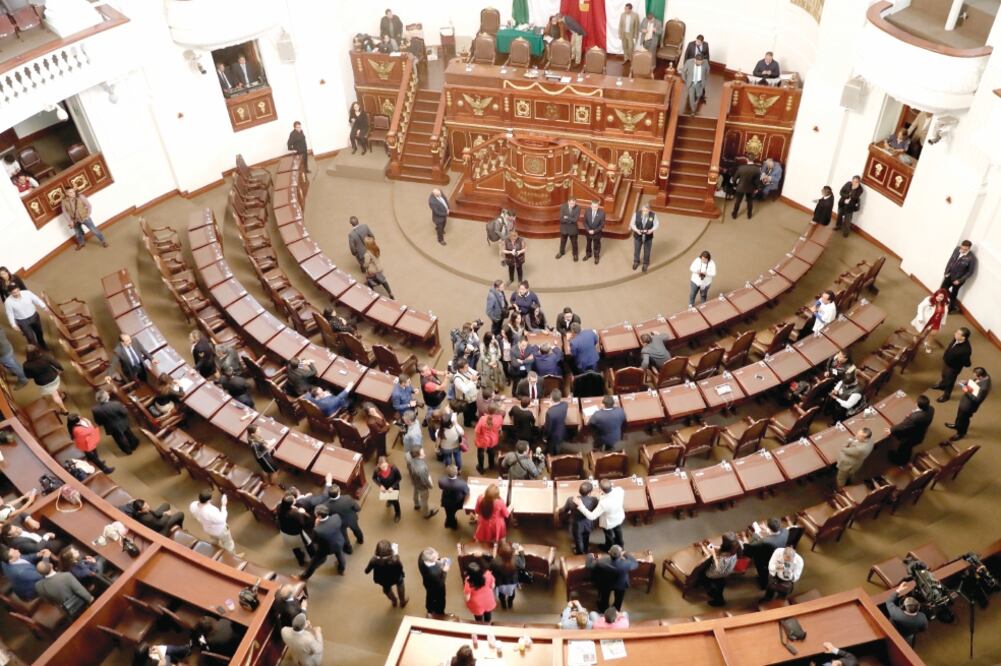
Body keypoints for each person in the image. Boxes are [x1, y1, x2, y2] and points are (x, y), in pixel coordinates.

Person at [574, 478, 625, 550]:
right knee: (618, 530)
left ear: (601, 489)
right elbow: (612, 491)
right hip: (619, 517)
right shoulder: (620, 490)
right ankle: (620, 544)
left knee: (609, 534)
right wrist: (602, 494)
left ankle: (609, 547)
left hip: (609, 522)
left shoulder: (603, 503)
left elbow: (592, 516)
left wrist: (581, 506)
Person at [586, 546, 638, 612]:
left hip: (606, 583)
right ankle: (617, 609)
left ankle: (603, 608)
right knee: (619, 599)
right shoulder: (626, 563)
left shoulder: (602, 561)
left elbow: (589, 566)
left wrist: (590, 556)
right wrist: (626, 554)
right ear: (620, 554)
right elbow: (635, 563)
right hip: (621, 584)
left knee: (604, 597)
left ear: (609, 552)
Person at [299, 506, 346, 578]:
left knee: (314, 563)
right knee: (340, 556)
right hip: (339, 542)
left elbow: (314, 541)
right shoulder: (336, 517)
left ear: (319, 516)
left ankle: (304, 576)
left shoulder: (317, 530)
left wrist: (316, 525)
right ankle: (341, 570)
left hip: (325, 549)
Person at [888, 394, 934, 465]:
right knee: (908, 448)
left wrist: (891, 430)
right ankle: (904, 458)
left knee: (904, 449)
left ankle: (899, 461)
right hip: (920, 433)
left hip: (911, 437)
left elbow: (903, 426)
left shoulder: (915, 418)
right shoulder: (931, 409)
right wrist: (914, 413)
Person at [189, 490, 240, 555]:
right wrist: (223, 505)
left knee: (214, 540)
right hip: (220, 531)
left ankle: (215, 551)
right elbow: (222, 519)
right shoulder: (210, 511)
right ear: (208, 500)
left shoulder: (193, 505)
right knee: (229, 544)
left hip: (208, 529)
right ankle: (233, 556)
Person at [947, 366, 990, 441]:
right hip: (965, 402)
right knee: (959, 416)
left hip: (969, 406)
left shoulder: (984, 388)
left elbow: (977, 400)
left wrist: (967, 392)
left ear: (980, 376)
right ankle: (957, 425)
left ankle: (961, 433)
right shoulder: (984, 376)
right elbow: (975, 383)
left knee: (964, 419)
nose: (974, 376)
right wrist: (966, 382)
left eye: (975, 375)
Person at [745, 517, 790, 589]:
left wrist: (755, 534)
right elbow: (777, 532)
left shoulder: (766, 541)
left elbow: (752, 544)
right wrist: (766, 530)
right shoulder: (786, 531)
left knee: (763, 573)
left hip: (767, 560)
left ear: (769, 528)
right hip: (779, 555)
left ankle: (763, 585)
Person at [22, 344, 67, 412]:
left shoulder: (26, 365)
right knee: (56, 387)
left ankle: (64, 409)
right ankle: (61, 394)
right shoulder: (45, 356)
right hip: (54, 377)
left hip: (43, 383)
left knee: (54, 395)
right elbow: (57, 364)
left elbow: (28, 376)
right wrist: (61, 369)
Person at [932, 327, 972, 402]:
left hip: (953, 368)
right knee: (943, 375)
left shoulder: (966, 350)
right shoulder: (956, 338)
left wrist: (957, 364)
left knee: (950, 382)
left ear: (963, 337)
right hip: (946, 362)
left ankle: (946, 396)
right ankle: (942, 385)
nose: (955, 334)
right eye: (956, 332)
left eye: (957, 333)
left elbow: (967, 363)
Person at [365, 540, 407, 607]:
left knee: (387, 590)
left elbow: (366, 571)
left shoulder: (373, 560)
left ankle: (394, 601)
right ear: (390, 550)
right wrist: (402, 574)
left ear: (377, 551)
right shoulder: (395, 559)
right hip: (396, 577)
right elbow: (400, 567)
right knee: (400, 585)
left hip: (382, 580)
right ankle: (402, 601)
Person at [5, 286, 48, 350]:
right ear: (10, 293)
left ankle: (42, 343)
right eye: (14, 293)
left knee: (39, 332)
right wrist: (13, 324)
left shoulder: (27, 293)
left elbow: (36, 300)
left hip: (34, 316)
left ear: (19, 289)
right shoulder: (8, 302)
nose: (17, 293)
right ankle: (36, 350)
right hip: (22, 321)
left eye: (17, 291)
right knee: (30, 337)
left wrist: (44, 306)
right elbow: (10, 313)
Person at [561, 481, 597, 554]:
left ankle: (580, 552)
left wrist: (558, 509)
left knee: (578, 539)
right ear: (590, 492)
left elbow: (564, 510)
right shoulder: (594, 500)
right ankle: (585, 549)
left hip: (576, 524)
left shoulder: (571, 499)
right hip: (588, 523)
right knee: (586, 537)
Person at [705, 532, 741, 606]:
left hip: (718, 573)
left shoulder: (723, 558)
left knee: (707, 576)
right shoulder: (737, 547)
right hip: (728, 570)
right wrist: (711, 545)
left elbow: (718, 568)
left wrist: (713, 553)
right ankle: (717, 592)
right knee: (720, 584)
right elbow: (721, 549)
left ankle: (719, 601)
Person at [940, 240, 977, 311]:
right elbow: (951, 260)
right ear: (961, 245)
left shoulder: (972, 258)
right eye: (962, 248)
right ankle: (939, 304)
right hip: (949, 275)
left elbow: (970, 272)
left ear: (969, 248)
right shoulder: (957, 249)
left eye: (965, 249)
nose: (962, 250)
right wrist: (946, 272)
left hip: (958, 280)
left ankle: (950, 308)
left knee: (954, 294)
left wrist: (959, 280)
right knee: (942, 290)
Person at [277, 494, 313, 565]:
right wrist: (303, 513)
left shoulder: (279, 507)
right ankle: (313, 557)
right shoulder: (295, 514)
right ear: (291, 504)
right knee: (309, 544)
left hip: (284, 532)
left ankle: (301, 561)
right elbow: (304, 524)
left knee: (294, 547)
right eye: (294, 500)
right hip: (296, 534)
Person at [911, 289, 950, 353]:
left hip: (937, 321)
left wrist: (943, 322)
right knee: (921, 331)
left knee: (933, 334)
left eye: (941, 297)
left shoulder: (945, 303)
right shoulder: (929, 299)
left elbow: (945, 313)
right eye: (937, 296)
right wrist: (920, 317)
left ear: (944, 298)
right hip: (926, 319)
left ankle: (928, 344)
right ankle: (916, 338)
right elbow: (920, 307)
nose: (939, 298)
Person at [491, 541, 526, 610]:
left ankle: (503, 605)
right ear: (512, 553)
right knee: (512, 594)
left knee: (501, 595)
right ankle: (510, 603)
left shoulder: (496, 561)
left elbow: (491, 568)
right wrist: (521, 552)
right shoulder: (516, 559)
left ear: (499, 553)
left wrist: (494, 556)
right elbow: (523, 565)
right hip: (512, 582)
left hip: (500, 583)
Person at [407, 447, 439, 520]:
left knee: (415, 493)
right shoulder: (422, 468)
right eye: (422, 452)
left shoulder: (410, 460)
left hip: (415, 482)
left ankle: (416, 505)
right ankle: (426, 514)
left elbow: (410, 471)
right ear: (418, 455)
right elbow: (425, 480)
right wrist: (430, 485)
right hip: (422, 486)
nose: (424, 453)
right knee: (424, 500)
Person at [419, 547, 449, 615]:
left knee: (429, 595)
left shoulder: (421, 557)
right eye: (436, 556)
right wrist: (445, 571)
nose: (438, 555)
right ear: (432, 560)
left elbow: (433, 560)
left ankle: (429, 609)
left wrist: (439, 560)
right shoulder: (433, 573)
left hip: (427, 583)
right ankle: (440, 612)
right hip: (437, 587)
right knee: (440, 599)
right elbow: (441, 582)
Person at [372, 456, 403, 522]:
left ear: (388, 463)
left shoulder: (394, 469)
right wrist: (380, 486)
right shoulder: (377, 470)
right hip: (385, 488)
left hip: (394, 488)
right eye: (382, 467)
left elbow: (399, 478)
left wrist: (392, 487)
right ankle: (389, 501)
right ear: (378, 465)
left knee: (395, 501)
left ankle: (398, 513)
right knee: (388, 497)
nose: (385, 469)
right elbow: (374, 478)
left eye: (386, 466)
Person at [438, 465, 469, 530]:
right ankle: (452, 524)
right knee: (452, 513)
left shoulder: (441, 481)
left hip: (446, 500)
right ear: (457, 473)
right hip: (457, 502)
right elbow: (466, 492)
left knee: (448, 512)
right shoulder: (462, 483)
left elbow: (440, 487)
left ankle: (448, 522)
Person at [474, 404, 502, 473]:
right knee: (491, 451)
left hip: (482, 440)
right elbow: (499, 428)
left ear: (487, 410)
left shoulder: (482, 419)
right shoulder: (499, 418)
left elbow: (477, 430)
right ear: (496, 411)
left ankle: (481, 468)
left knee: (480, 452)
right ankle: (491, 465)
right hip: (493, 439)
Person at [630, 204, 658, 272]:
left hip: (648, 236)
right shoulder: (636, 214)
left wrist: (651, 230)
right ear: (642, 210)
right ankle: (636, 261)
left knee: (647, 251)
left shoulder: (653, 215)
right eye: (644, 210)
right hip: (638, 236)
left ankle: (646, 263)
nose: (645, 212)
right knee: (637, 250)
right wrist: (636, 230)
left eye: (646, 211)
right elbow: (632, 224)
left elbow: (656, 224)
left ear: (649, 210)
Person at [543, 389, 569, 455]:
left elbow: (548, 428)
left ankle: (553, 456)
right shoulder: (565, 405)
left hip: (554, 436)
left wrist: (545, 437)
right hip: (562, 432)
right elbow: (563, 403)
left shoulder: (550, 413)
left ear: (551, 398)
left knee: (554, 450)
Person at [556, 196, 581, 261]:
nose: (573, 205)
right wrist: (570, 219)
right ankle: (561, 252)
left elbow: (575, 220)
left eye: (574, 203)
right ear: (568, 202)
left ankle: (575, 254)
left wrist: (567, 217)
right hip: (564, 228)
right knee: (562, 242)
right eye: (571, 203)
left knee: (574, 243)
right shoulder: (563, 206)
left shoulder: (578, 208)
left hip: (573, 229)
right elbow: (561, 219)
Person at [581, 199, 605, 264]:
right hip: (588, 232)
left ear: (598, 206)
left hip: (597, 233)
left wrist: (594, 231)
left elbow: (602, 225)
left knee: (596, 246)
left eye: (596, 206)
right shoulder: (587, 211)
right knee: (588, 244)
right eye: (593, 206)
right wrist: (588, 230)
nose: (595, 208)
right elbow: (584, 221)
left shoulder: (602, 213)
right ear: (591, 206)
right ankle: (588, 254)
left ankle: (596, 257)